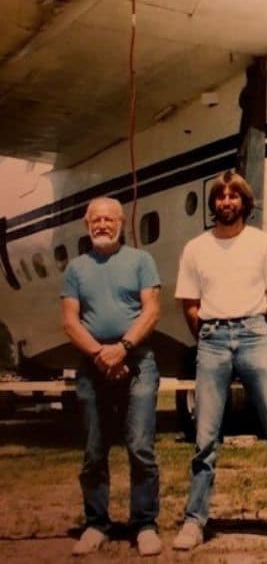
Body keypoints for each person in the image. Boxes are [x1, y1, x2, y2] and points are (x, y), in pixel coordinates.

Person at [172, 170, 267, 550]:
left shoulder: (264, 245)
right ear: (213, 204)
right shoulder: (195, 248)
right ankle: (194, 521)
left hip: (254, 335)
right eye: (220, 197)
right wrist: (208, 332)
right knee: (205, 438)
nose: (226, 202)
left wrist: (257, 329)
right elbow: (189, 303)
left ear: (245, 204)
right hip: (212, 340)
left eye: (234, 197)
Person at [61, 197, 162, 557]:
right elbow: (71, 321)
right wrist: (100, 354)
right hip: (92, 366)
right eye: (95, 219)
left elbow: (151, 310)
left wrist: (123, 346)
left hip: (137, 362)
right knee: (93, 451)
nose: (102, 225)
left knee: (140, 447)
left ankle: (145, 524)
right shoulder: (75, 268)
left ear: (121, 222)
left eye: (109, 219)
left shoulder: (141, 261)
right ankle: (96, 524)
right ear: (87, 224)